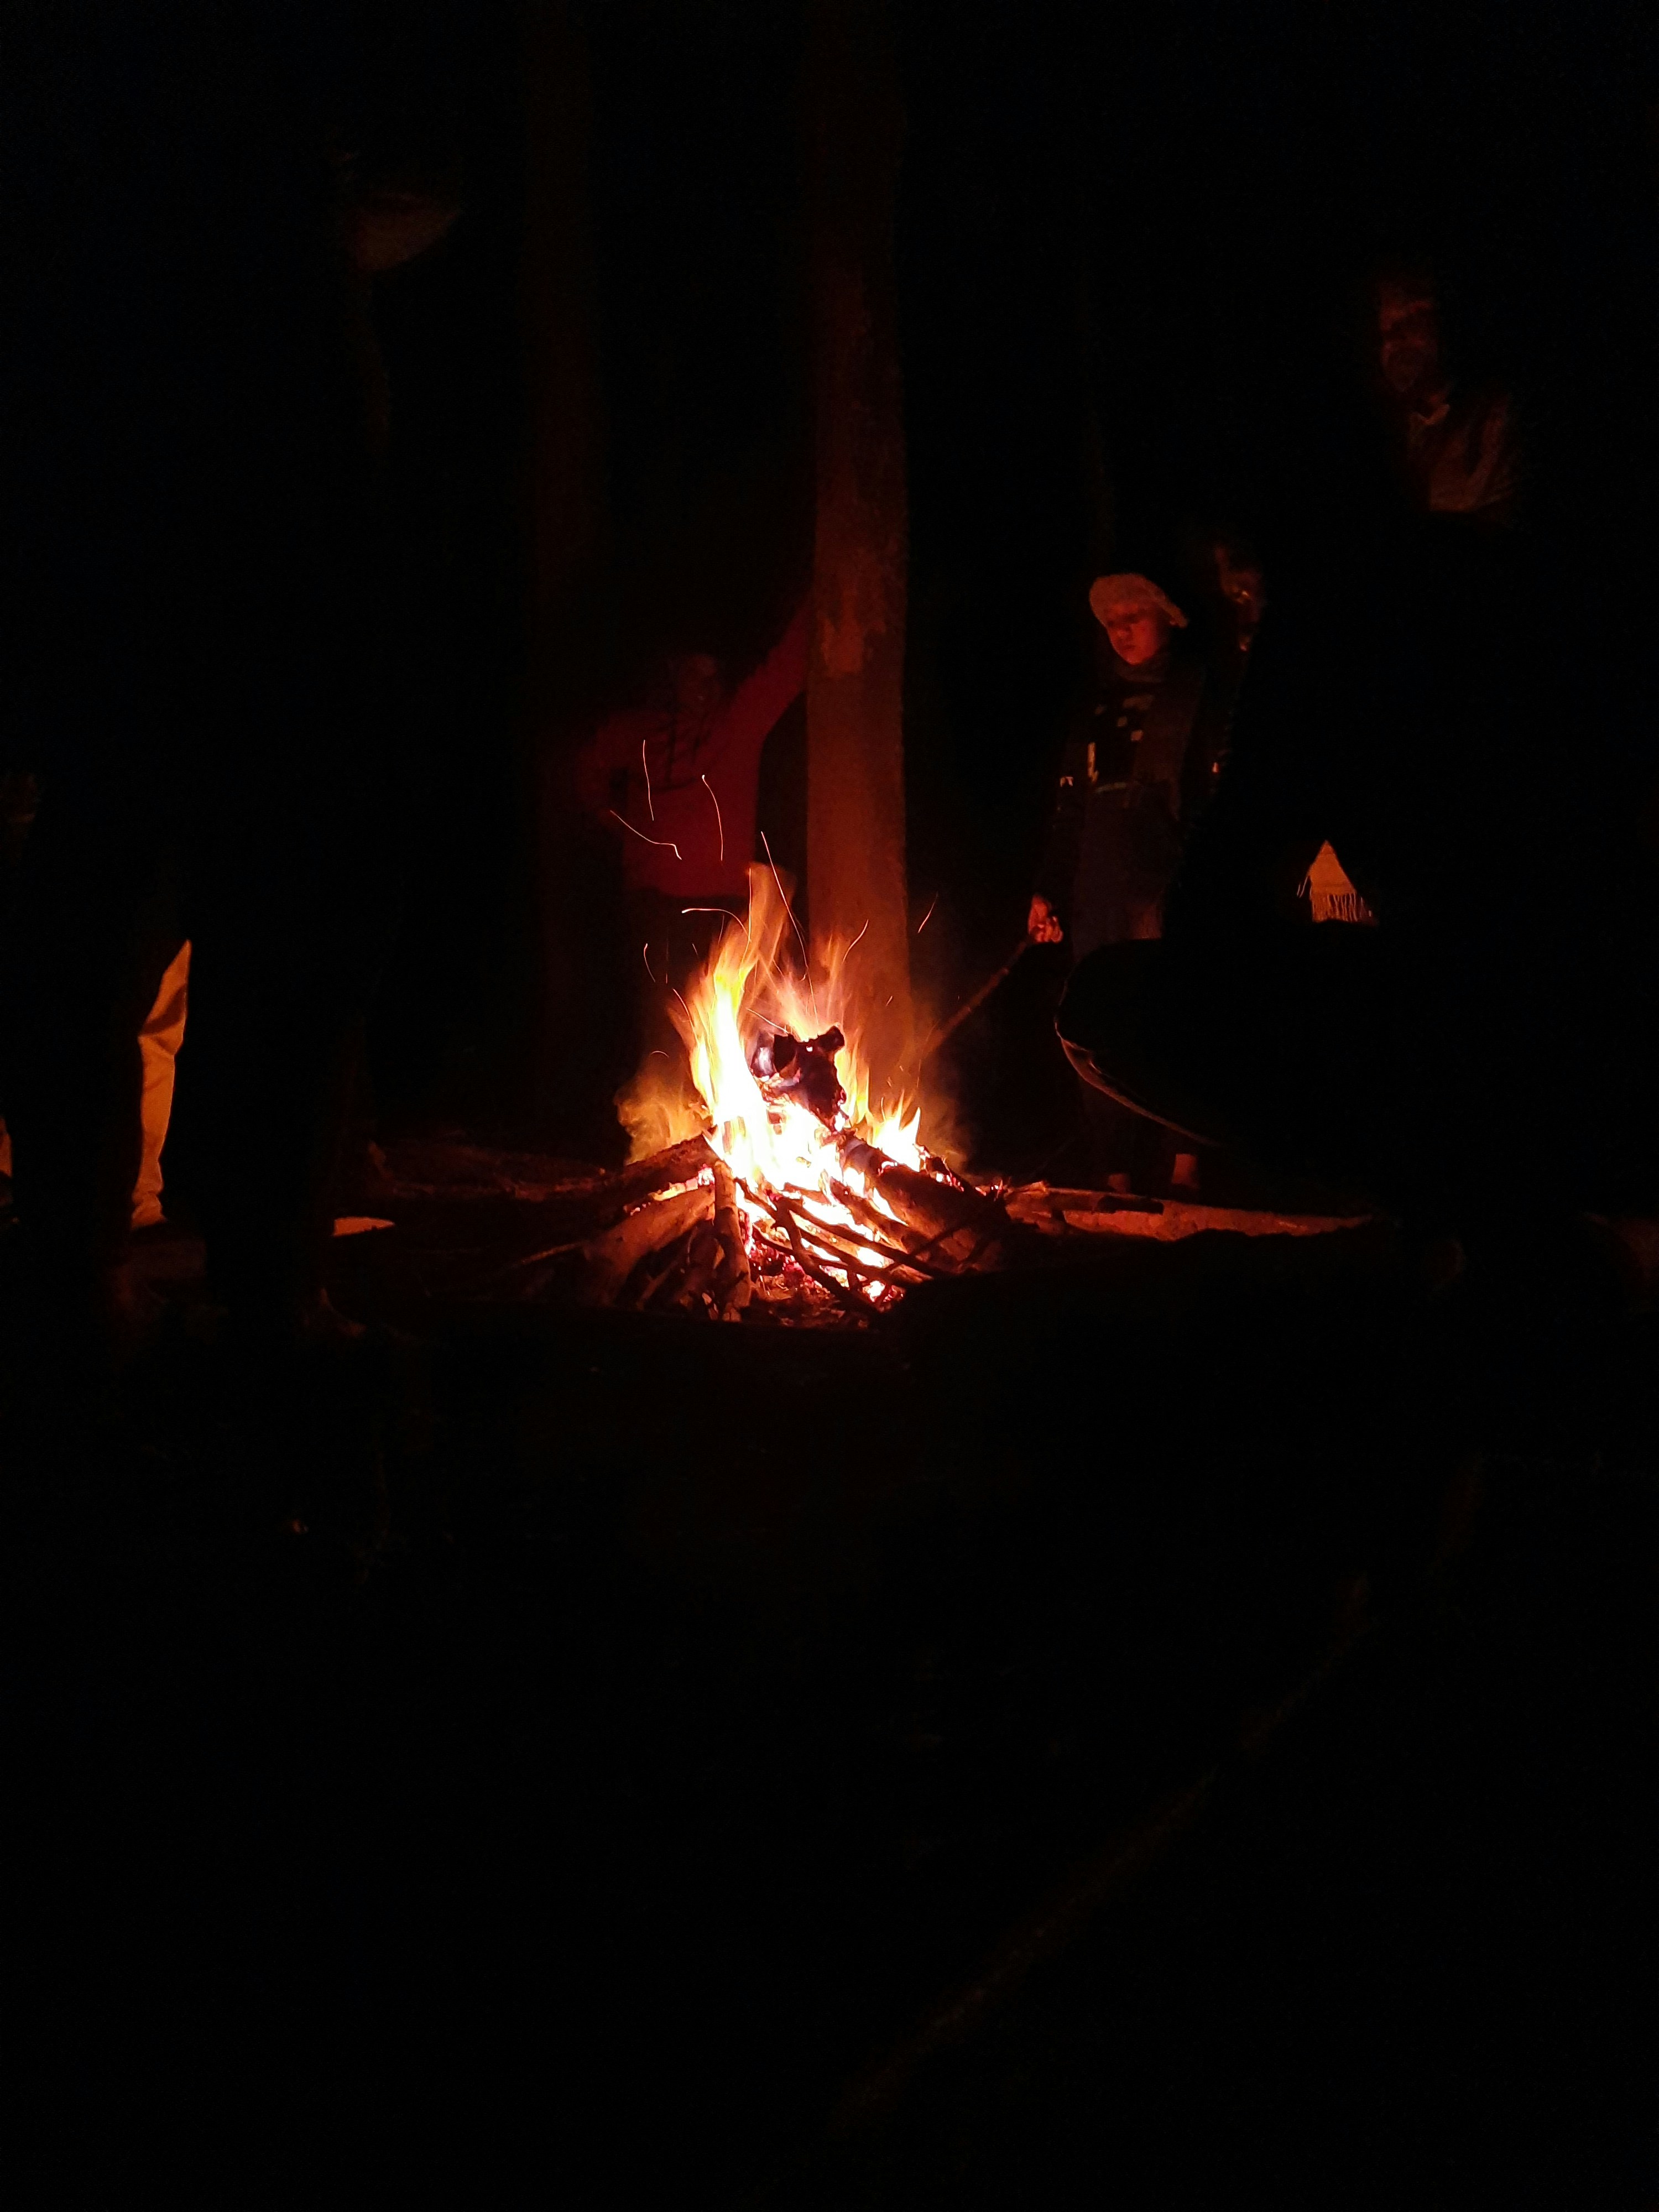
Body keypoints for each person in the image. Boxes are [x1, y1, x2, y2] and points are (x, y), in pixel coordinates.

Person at [1029, 573, 1223, 1193]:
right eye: (1110, 620)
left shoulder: (1198, 697)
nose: (1121, 628)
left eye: (1134, 614)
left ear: (1167, 618)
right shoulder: (1095, 712)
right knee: (1092, 1017)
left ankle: (1185, 1165)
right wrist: (1048, 889)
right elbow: (1070, 812)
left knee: (1177, 1011)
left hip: (1169, 881)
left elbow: (1215, 802)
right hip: (1097, 891)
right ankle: (1114, 1171)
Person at [576, 601, 809, 992]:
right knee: (663, 1038)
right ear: (674, 675)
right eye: (693, 676)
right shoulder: (638, 733)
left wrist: (823, 591)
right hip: (654, 911)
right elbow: (588, 770)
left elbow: (787, 667)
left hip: (721, 912)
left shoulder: (736, 726)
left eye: (713, 678)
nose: (705, 689)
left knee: (724, 1030)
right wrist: (615, 823)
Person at [1375, 272, 1519, 523]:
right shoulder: (1389, 422)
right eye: (1387, 333)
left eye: (1412, 323)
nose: (1395, 343)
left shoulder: (1496, 417)